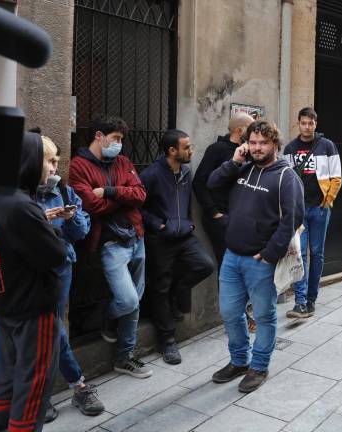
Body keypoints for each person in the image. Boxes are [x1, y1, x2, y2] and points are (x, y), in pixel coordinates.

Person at [0, 132, 68, 432]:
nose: (52, 168)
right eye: (48, 160)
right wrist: (50, 228)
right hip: (32, 309)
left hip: (5, 303)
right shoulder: (22, 206)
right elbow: (56, 256)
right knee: (33, 385)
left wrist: (40, 220)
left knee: (7, 377)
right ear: (30, 162)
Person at [207, 120, 304, 393]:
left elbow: (293, 218)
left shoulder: (287, 177)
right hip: (232, 256)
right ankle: (239, 361)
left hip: (259, 261)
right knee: (229, 312)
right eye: (253, 142)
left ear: (275, 144)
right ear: (245, 144)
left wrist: (271, 254)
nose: (257, 148)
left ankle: (259, 366)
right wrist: (234, 162)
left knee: (264, 315)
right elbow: (212, 184)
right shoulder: (244, 167)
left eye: (263, 143)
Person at [69, 115, 152, 379]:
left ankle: (124, 357)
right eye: (115, 139)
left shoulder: (124, 162)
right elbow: (90, 206)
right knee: (127, 300)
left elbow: (140, 195)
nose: (119, 144)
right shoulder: (78, 166)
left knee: (135, 301)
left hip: (135, 236)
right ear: (98, 136)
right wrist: (121, 196)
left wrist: (108, 192)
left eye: (121, 140)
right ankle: (108, 318)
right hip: (109, 242)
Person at [34, 135, 105, 422]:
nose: (54, 168)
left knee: (53, 327)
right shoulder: (18, 196)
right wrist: (42, 220)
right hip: (30, 271)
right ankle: (74, 386)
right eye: (49, 161)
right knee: (47, 330)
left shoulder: (62, 191)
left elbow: (81, 232)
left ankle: (55, 391)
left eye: (55, 161)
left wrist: (72, 216)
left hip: (60, 267)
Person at [140, 129, 215, 365]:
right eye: (187, 147)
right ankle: (168, 342)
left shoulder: (185, 172)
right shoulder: (151, 175)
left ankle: (176, 293)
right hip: (160, 239)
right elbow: (137, 207)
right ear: (173, 151)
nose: (191, 151)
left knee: (204, 265)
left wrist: (189, 224)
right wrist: (158, 225)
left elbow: (185, 204)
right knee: (159, 287)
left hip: (183, 236)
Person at [282, 107, 342, 318]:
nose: (307, 127)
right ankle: (300, 302)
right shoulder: (290, 148)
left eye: (311, 123)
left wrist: (328, 200)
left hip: (319, 208)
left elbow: (337, 176)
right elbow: (286, 180)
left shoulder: (326, 146)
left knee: (317, 254)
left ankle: (311, 299)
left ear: (316, 124)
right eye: (304, 123)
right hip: (299, 210)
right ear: (298, 124)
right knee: (300, 255)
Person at [193, 112, 255, 267]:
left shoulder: (250, 151)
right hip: (222, 219)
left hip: (241, 219)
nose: (255, 131)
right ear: (240, 131)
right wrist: (215, 213)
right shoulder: (217, 149)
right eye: (251, 128)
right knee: (227, 266)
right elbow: (199, 182)